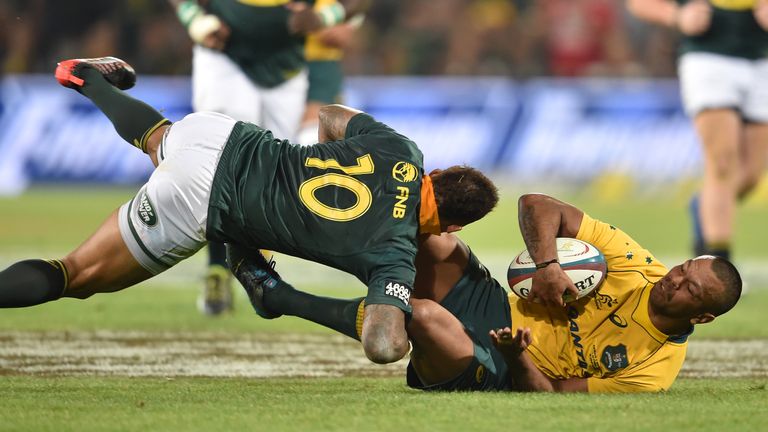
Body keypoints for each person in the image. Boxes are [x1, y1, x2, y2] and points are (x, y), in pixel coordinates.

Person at [0, 57, 499, 366]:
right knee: (76, 275)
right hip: (202, 202)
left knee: (160, 140)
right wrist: (291, 297)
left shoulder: (403, 149)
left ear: (438, 173)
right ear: (453, 226)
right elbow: (384, 346)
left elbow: (327, 116)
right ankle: (272, 294)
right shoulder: (396, 254)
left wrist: (306, 165)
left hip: (225, 136)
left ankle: (87, 79)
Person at [232, 193, 742, 392]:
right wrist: (547, 264)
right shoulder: (637, 265)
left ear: (701, 318)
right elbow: (538, 205)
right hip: (494, 302)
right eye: (681, 269)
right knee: (430, 235)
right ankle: (277, 233)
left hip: (504, 366)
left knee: (424, 315)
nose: (672, 281)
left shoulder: (654, 372)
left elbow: (556, 398)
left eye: (688, 288)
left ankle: (276, 297)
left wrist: (515, 358)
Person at [168, 0, 367, 315]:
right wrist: (193, 18)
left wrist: (325, 16)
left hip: (287, 67)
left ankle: (249, 268)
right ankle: (218, 267)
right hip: (226, 55)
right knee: (223, 157)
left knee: (269, 173)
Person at [627, 0, 768, 260]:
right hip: (708, 58)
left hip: (761, 60)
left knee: (750, 177)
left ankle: (703, 206)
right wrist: (677, 16)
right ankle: (718, 266)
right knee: (723, 164)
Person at [297, 3, 363, 146]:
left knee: (312, 135)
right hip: (270, 60)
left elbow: (357, 7)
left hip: (321, 64)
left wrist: (350, 25)